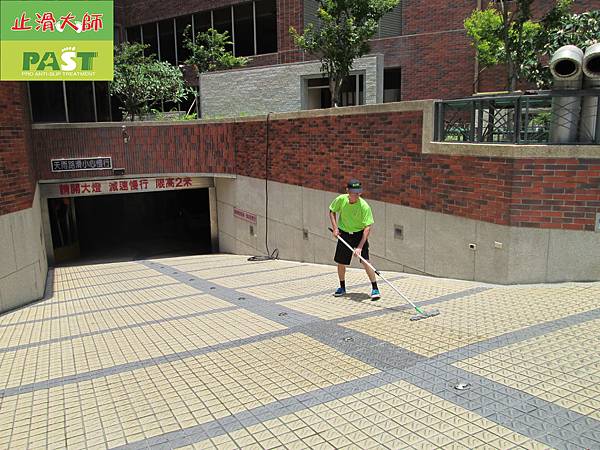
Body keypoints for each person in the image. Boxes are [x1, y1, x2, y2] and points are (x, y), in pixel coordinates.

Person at [329, 179, 380, 300]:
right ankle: (342, 287)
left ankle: (375, 288)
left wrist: (360, 247)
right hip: (344, 234)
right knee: (341, 262)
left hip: (359, 235)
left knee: (366, 261)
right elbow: (332, 211)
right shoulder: (341, 200)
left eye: (358, 192)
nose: (357, 195)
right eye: (354, 192)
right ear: (348, 191)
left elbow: (367, 228)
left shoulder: (364, 206)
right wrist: (335, 228)